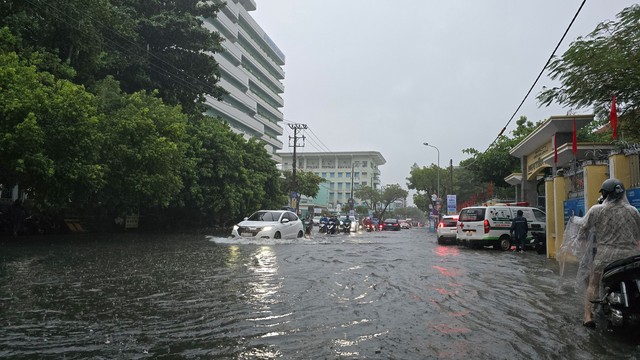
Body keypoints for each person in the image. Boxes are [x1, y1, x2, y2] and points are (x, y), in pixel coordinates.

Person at [571, 178, 640, 328]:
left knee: (593, 285)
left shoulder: (597, 210)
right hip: (632, 258)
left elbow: (582, 227)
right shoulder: (633, 211)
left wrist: (574, 222)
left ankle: (587, 317)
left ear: (604, 194)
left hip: (606, 259)